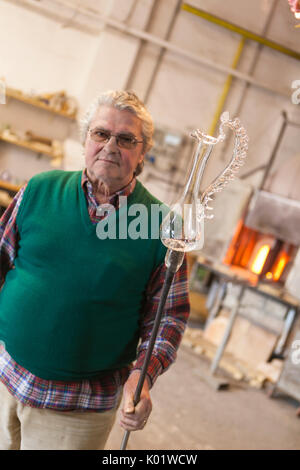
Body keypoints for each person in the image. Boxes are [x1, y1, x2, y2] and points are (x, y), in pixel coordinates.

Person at [0, 90, 190, 450]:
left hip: (77, 409)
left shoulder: (162, 227)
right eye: (101, 133)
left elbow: (168, 317)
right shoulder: (39, 189)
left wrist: (143, 376)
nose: (110, 146)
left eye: (126, 139)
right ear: (86, 139)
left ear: (142, 153)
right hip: (4, 373)